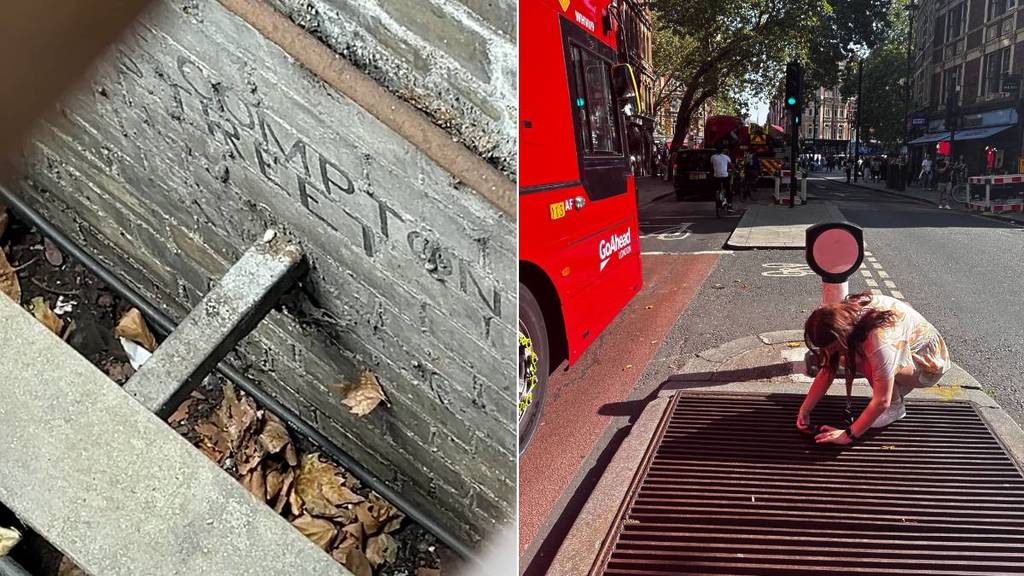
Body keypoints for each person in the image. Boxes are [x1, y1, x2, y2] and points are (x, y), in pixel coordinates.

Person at [798, 292, 951, 445]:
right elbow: (827, 369)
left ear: (841, 336)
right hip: (905, 348)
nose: (828, 353)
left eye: (832, 348)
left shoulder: (878, 340)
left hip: (928, 364)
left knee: (864, 360)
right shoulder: (843, 318)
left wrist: (846, 435)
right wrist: (804, 410)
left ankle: (895, 407)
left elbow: (881, 400)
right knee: (848, 358)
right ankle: (892, 390)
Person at [710, 147, 733, 213]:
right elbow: (731, 166)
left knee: (717, 189)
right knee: (728, 190)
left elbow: (711, 166)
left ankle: (718, 200)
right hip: (725, 176)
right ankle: (729, 205)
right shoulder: (726, 157)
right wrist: (735, 171)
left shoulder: (712, 157)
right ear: (723, 151)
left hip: (716, 177)